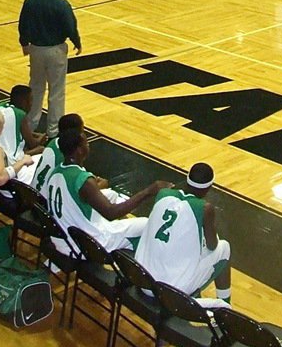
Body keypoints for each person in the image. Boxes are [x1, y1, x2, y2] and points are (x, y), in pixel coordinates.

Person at [42, 128, 170, 256]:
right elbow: (111, 212)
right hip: (85, 245)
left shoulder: (56, 172)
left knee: (110, 197)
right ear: (80, 150)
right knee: (146, 224)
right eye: (86, 143)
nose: (88, 146)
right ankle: (138, 269)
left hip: (61, 239)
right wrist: (148, 191)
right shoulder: (83, 180)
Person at [136, 162, 232, 303]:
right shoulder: (205, 208)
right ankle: (225, 307)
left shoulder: (163, 194)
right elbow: (212, 246)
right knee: (224, 248)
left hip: (141, 278)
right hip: (170, 291)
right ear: (209, 187)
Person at [18, 0, 82, 140]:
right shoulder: (62, 4)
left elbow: (23, 23)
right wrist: (77, 42)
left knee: (36, 87)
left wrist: (24, 42)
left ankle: (31, 124)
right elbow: (70, 26)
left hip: (36, 49)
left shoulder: (31, 0)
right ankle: (54, 130)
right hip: (55, 50)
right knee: (57, 90)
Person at [0, 84, 46, 181]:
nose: (31, 104)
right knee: (42, 149)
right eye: (30, 100)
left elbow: (12, 128)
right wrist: (41, 138)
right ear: (24, 102)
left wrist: (33, 134)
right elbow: (32, 144)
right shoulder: (20, 114)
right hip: (9, 163)